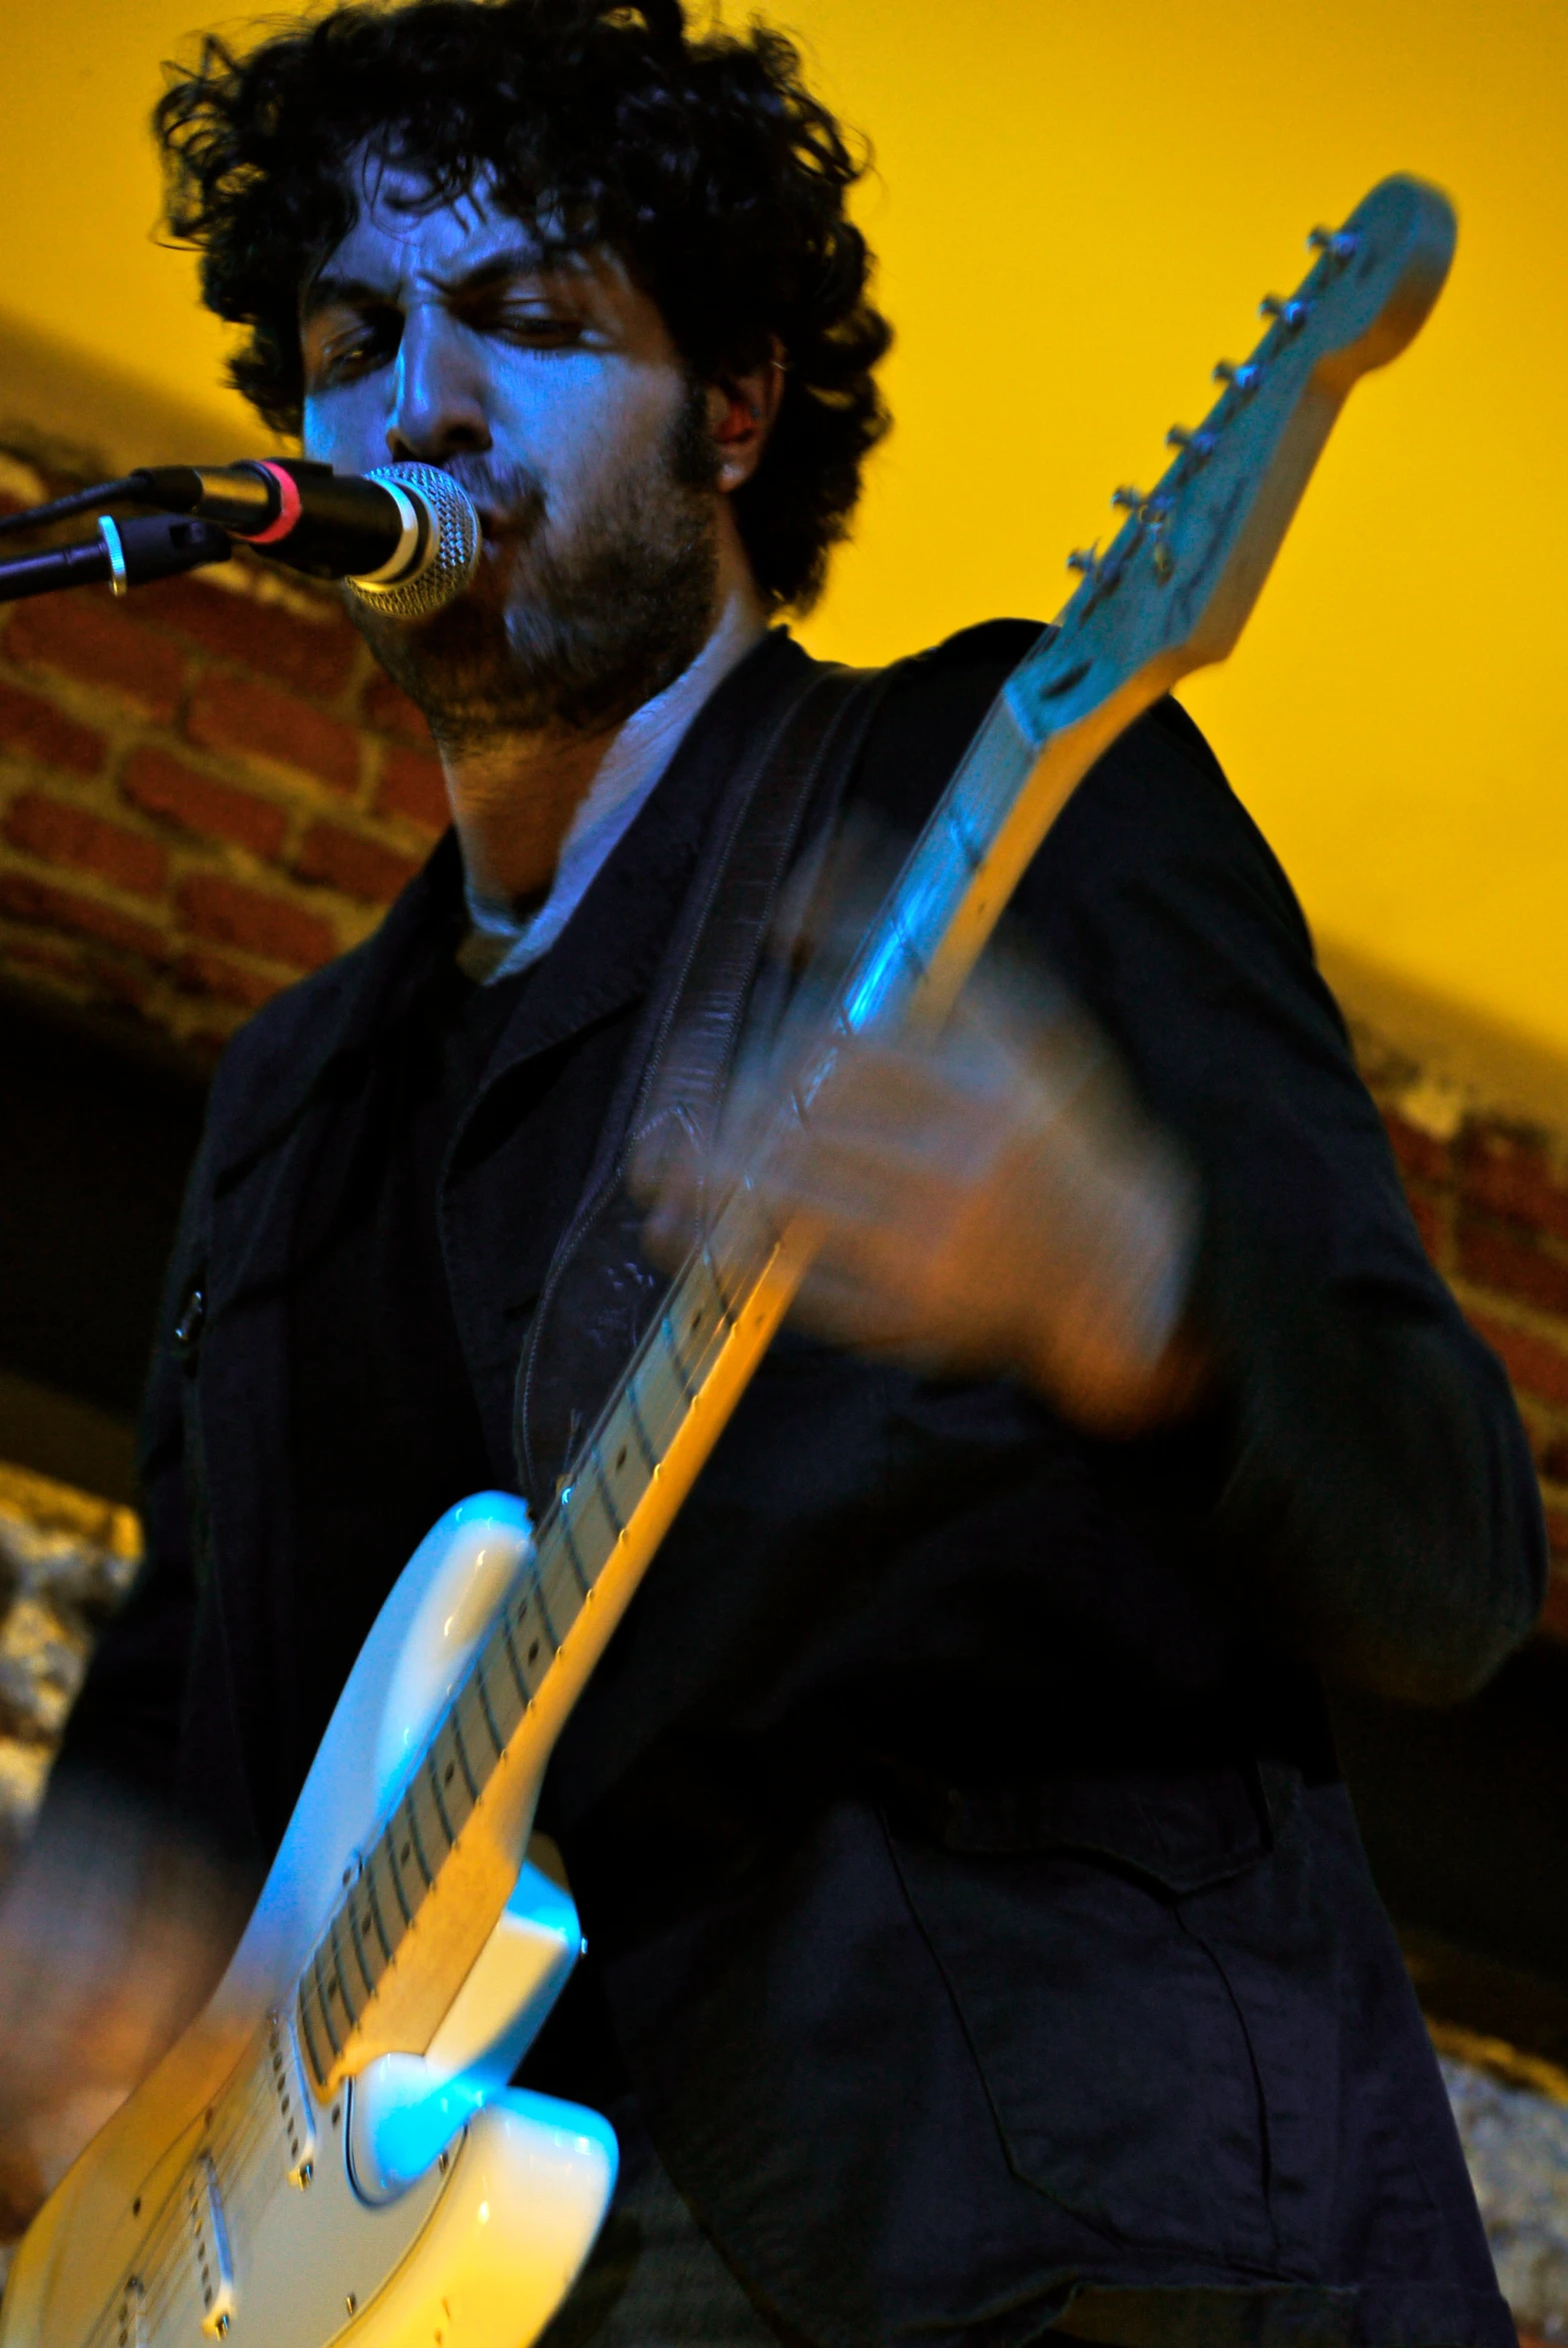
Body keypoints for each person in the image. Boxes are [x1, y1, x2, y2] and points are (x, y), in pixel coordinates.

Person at [0, 4, 1547, 2344]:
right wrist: (88, 1949)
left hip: (1047, 2257)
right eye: (351, 336)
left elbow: (1447, 1551)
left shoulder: (979, 795)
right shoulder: (293, 1092)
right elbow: (183, 1732)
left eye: (524, 318)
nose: (411, 399)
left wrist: (1133, 1282)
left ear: (735, 406)